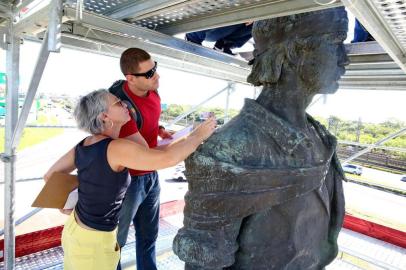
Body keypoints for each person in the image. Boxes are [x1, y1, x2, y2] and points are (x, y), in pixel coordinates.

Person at [173, 7, 348, 269]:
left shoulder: (320, 138)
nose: (345, 58)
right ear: (295, 53)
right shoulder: (227, 152)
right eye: (335, 43)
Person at [44, 89, 216, 270]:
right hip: (94, 243)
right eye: (118, 103)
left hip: (75, 230)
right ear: (104, 116)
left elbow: (50, 175)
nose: (125, 104)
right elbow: (167, 159)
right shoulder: (116, 147)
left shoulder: (85, 143)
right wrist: (198, 136)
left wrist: (65, 205)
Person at [108, 48, 170, 270]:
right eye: (150, 73)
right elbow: (146, 155)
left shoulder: (153, 91)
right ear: (130, 78)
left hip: (150, 177)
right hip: (129, 182)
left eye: (155, 68)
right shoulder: (122, 109)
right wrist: (190, 141)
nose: (157, 76)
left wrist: (160, 131)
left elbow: (150, 120)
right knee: (115, 242)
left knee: (148, 237)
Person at [185, 23, 253, 55]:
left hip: (224, 32)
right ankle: (192, 38)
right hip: (207, 28)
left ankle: (223, 45)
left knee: (259, 22)